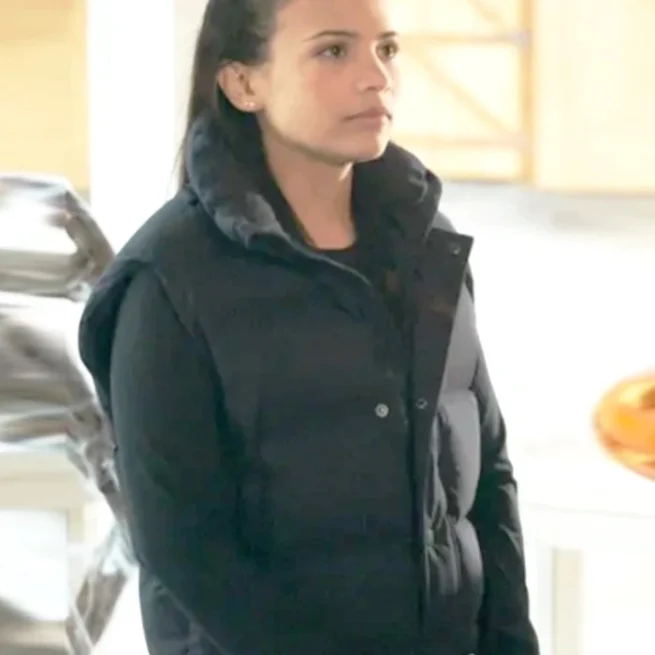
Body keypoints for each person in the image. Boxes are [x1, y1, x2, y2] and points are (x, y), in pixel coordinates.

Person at [78, 0, 540, 653]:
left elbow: (486, 473)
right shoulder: (169, 282)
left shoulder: (427, 245)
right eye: (333, 51)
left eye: (386, 49)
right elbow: (185, 552)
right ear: (243, 82)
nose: (376, 77)